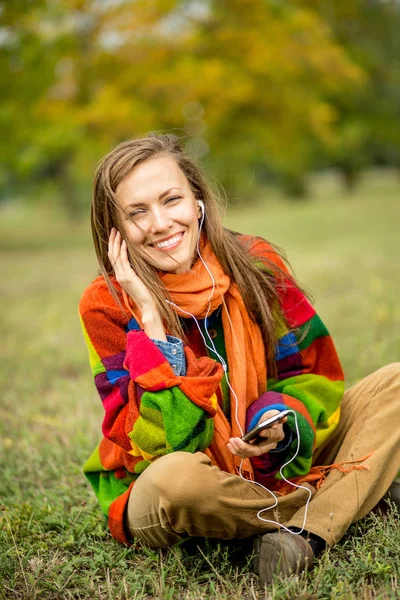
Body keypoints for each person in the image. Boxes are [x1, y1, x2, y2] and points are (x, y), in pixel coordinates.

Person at [79, 133, 400, 587]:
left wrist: (277, 419)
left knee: (396, 383)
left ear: (196, 200)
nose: (159, 223)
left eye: (172, 200)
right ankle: (344, 501)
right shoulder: (106, 305)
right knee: (178, 480)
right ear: (114, 229)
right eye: (136, 212)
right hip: (168, 481)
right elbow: (155, 445)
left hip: (272, 462)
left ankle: (307, 533)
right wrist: (153, 326)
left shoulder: (255, 263)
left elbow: (312, 371)